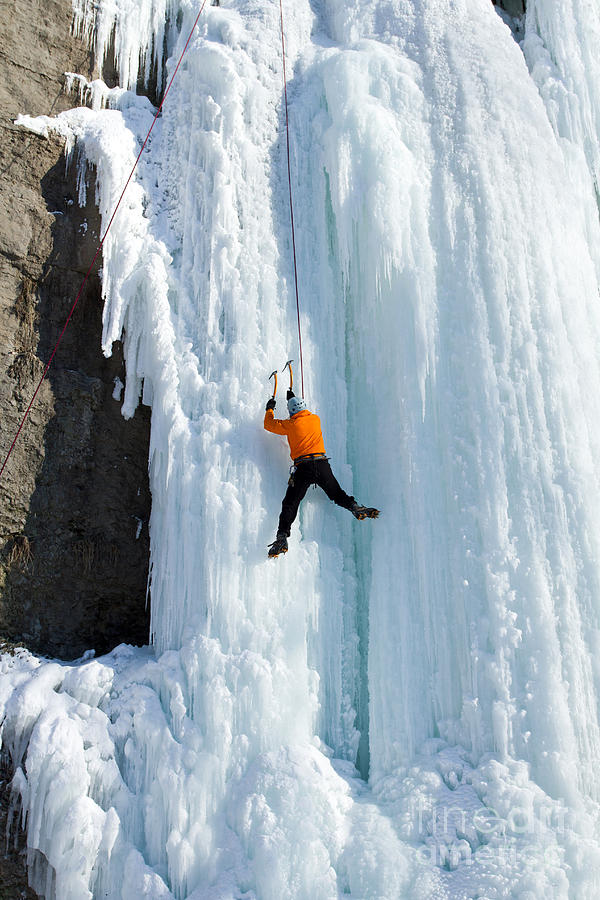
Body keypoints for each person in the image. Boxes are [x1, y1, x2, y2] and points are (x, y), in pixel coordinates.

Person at [264, 390, 379, 557]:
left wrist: (270, 409)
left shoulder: (290, 425)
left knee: (291, 503)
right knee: (337, 494)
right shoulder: (315, 419)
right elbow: (300, 414)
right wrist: (292, 397)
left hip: (303, 467)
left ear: (291, 412)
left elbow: (269, 424)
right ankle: (355, 508)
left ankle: (282, 537)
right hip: (322, 465)